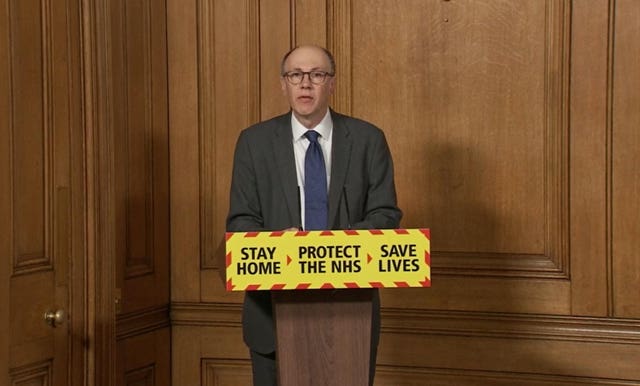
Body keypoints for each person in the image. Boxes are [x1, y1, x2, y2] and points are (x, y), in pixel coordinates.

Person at [226, 45, 402, 386]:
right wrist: (281, 245)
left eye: (317, 75)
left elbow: (386, 215)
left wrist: (336, 245)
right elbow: (240, 223)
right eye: (296, 75)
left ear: (331, 84)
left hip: (352, 315)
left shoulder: (368, 139)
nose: (305, 84)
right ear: (284, 84)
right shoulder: (253, 143)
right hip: (271, 315)